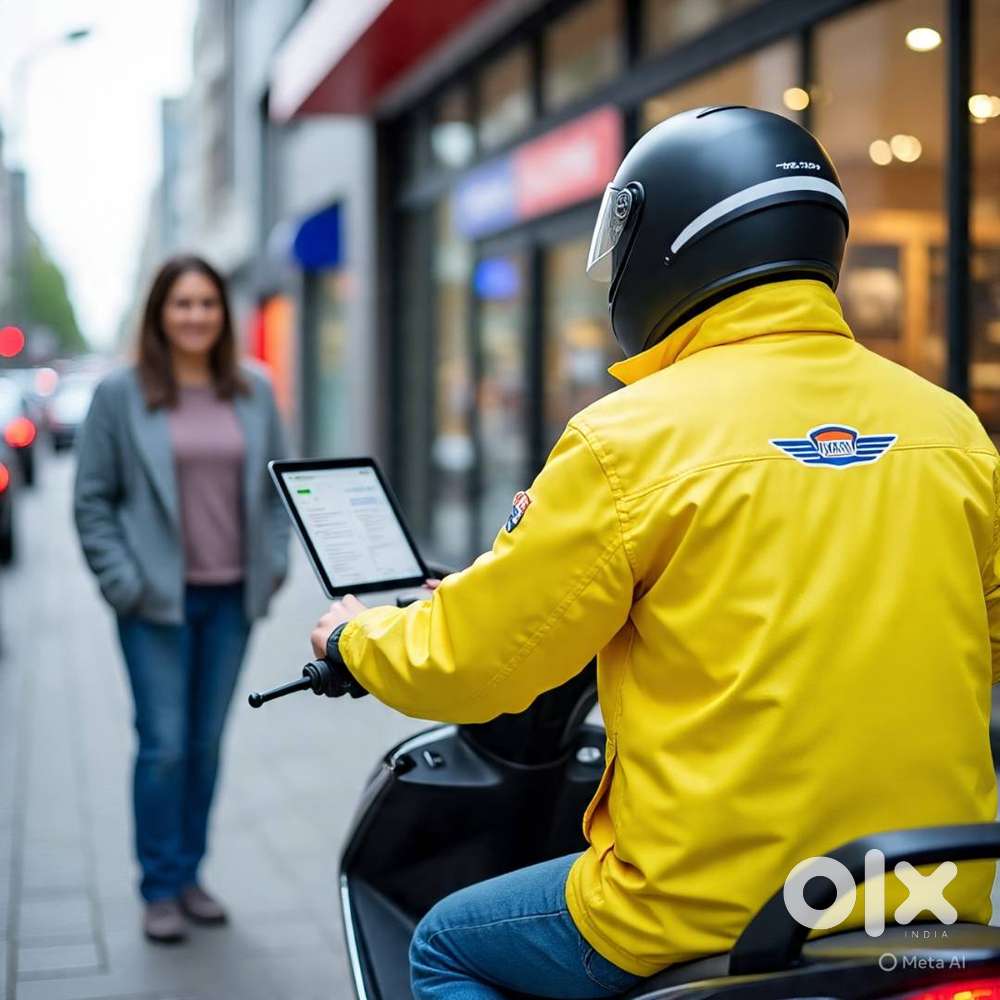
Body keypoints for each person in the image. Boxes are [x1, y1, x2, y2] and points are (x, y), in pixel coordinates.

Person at [310, 107, 1000, 998]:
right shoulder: (951, 427)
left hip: (718, 908)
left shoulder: (627, 439)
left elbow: (472, 660)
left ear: (669, 241)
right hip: (936, 900)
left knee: (445, 943)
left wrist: (353, 639)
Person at [74, 254, 290, 943]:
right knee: (163, 745)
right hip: (154, 605)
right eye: (182, 304)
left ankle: (191, 874)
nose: (195, 316)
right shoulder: (120, 395)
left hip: (232, 598)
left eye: (207, 303)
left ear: (223, 314)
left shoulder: (254, 389)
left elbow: (278, 488)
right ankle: (159, 885)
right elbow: (92, 501)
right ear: (159, 313)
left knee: (205, 743)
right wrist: (122, 581)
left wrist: (277, 560)